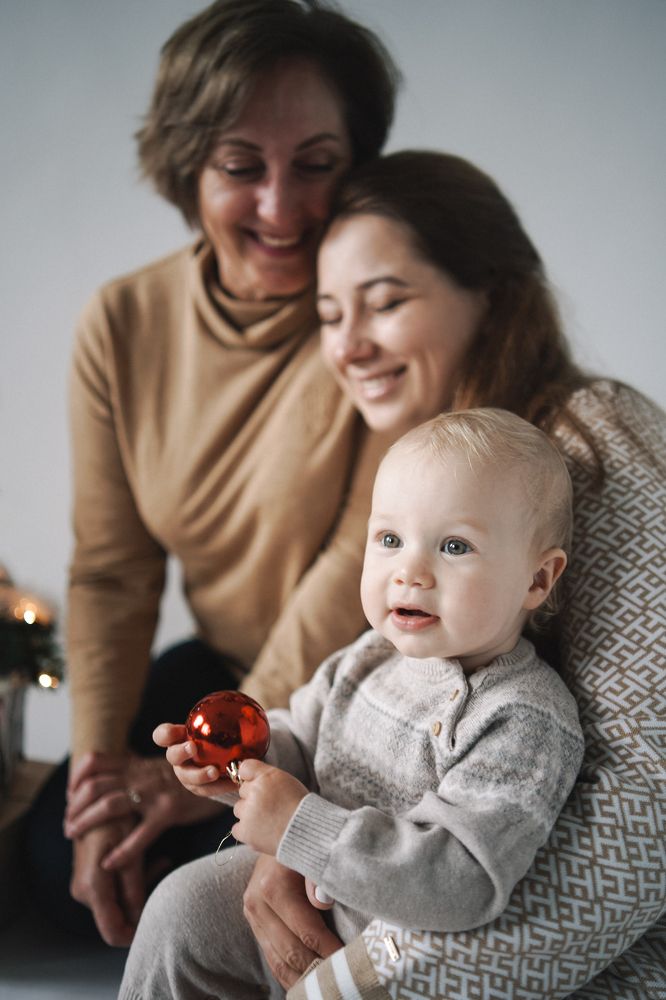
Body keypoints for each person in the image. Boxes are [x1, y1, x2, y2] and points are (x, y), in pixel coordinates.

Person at [147, 151, 663, 999]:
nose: (346, 346)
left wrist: (364, 974)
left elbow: (642, 815)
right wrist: (272, 820)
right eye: (327, 313)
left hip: (512, 904)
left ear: (491, 293)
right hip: (371, 850)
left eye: (385, 301)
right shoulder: (419, 475)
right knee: (183, 911)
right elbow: (333, 723)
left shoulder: (594, 443)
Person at [23, 0, 401, 948]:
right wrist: (98, 780)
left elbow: (348, 565)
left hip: (356, 691)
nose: (282, 207)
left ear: (358, 166)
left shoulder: (379, 322)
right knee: (60, 851)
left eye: (317, 164)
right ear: (186, 169)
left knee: (211, 888)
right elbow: (113, 569)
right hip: (225, 669)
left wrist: (228, 762)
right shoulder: (124, 323)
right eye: (242, 167)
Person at [117, 407, 586, 999]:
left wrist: (300, 825)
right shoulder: (367, 658)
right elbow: (302, 738)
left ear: (537, 581)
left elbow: (463, 879)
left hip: (384, 950)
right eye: (390, 538)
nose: (409, 571)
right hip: (311, 898)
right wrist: (239, 762)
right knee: (179, 910)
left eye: (455, 545)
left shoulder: (522, 715)